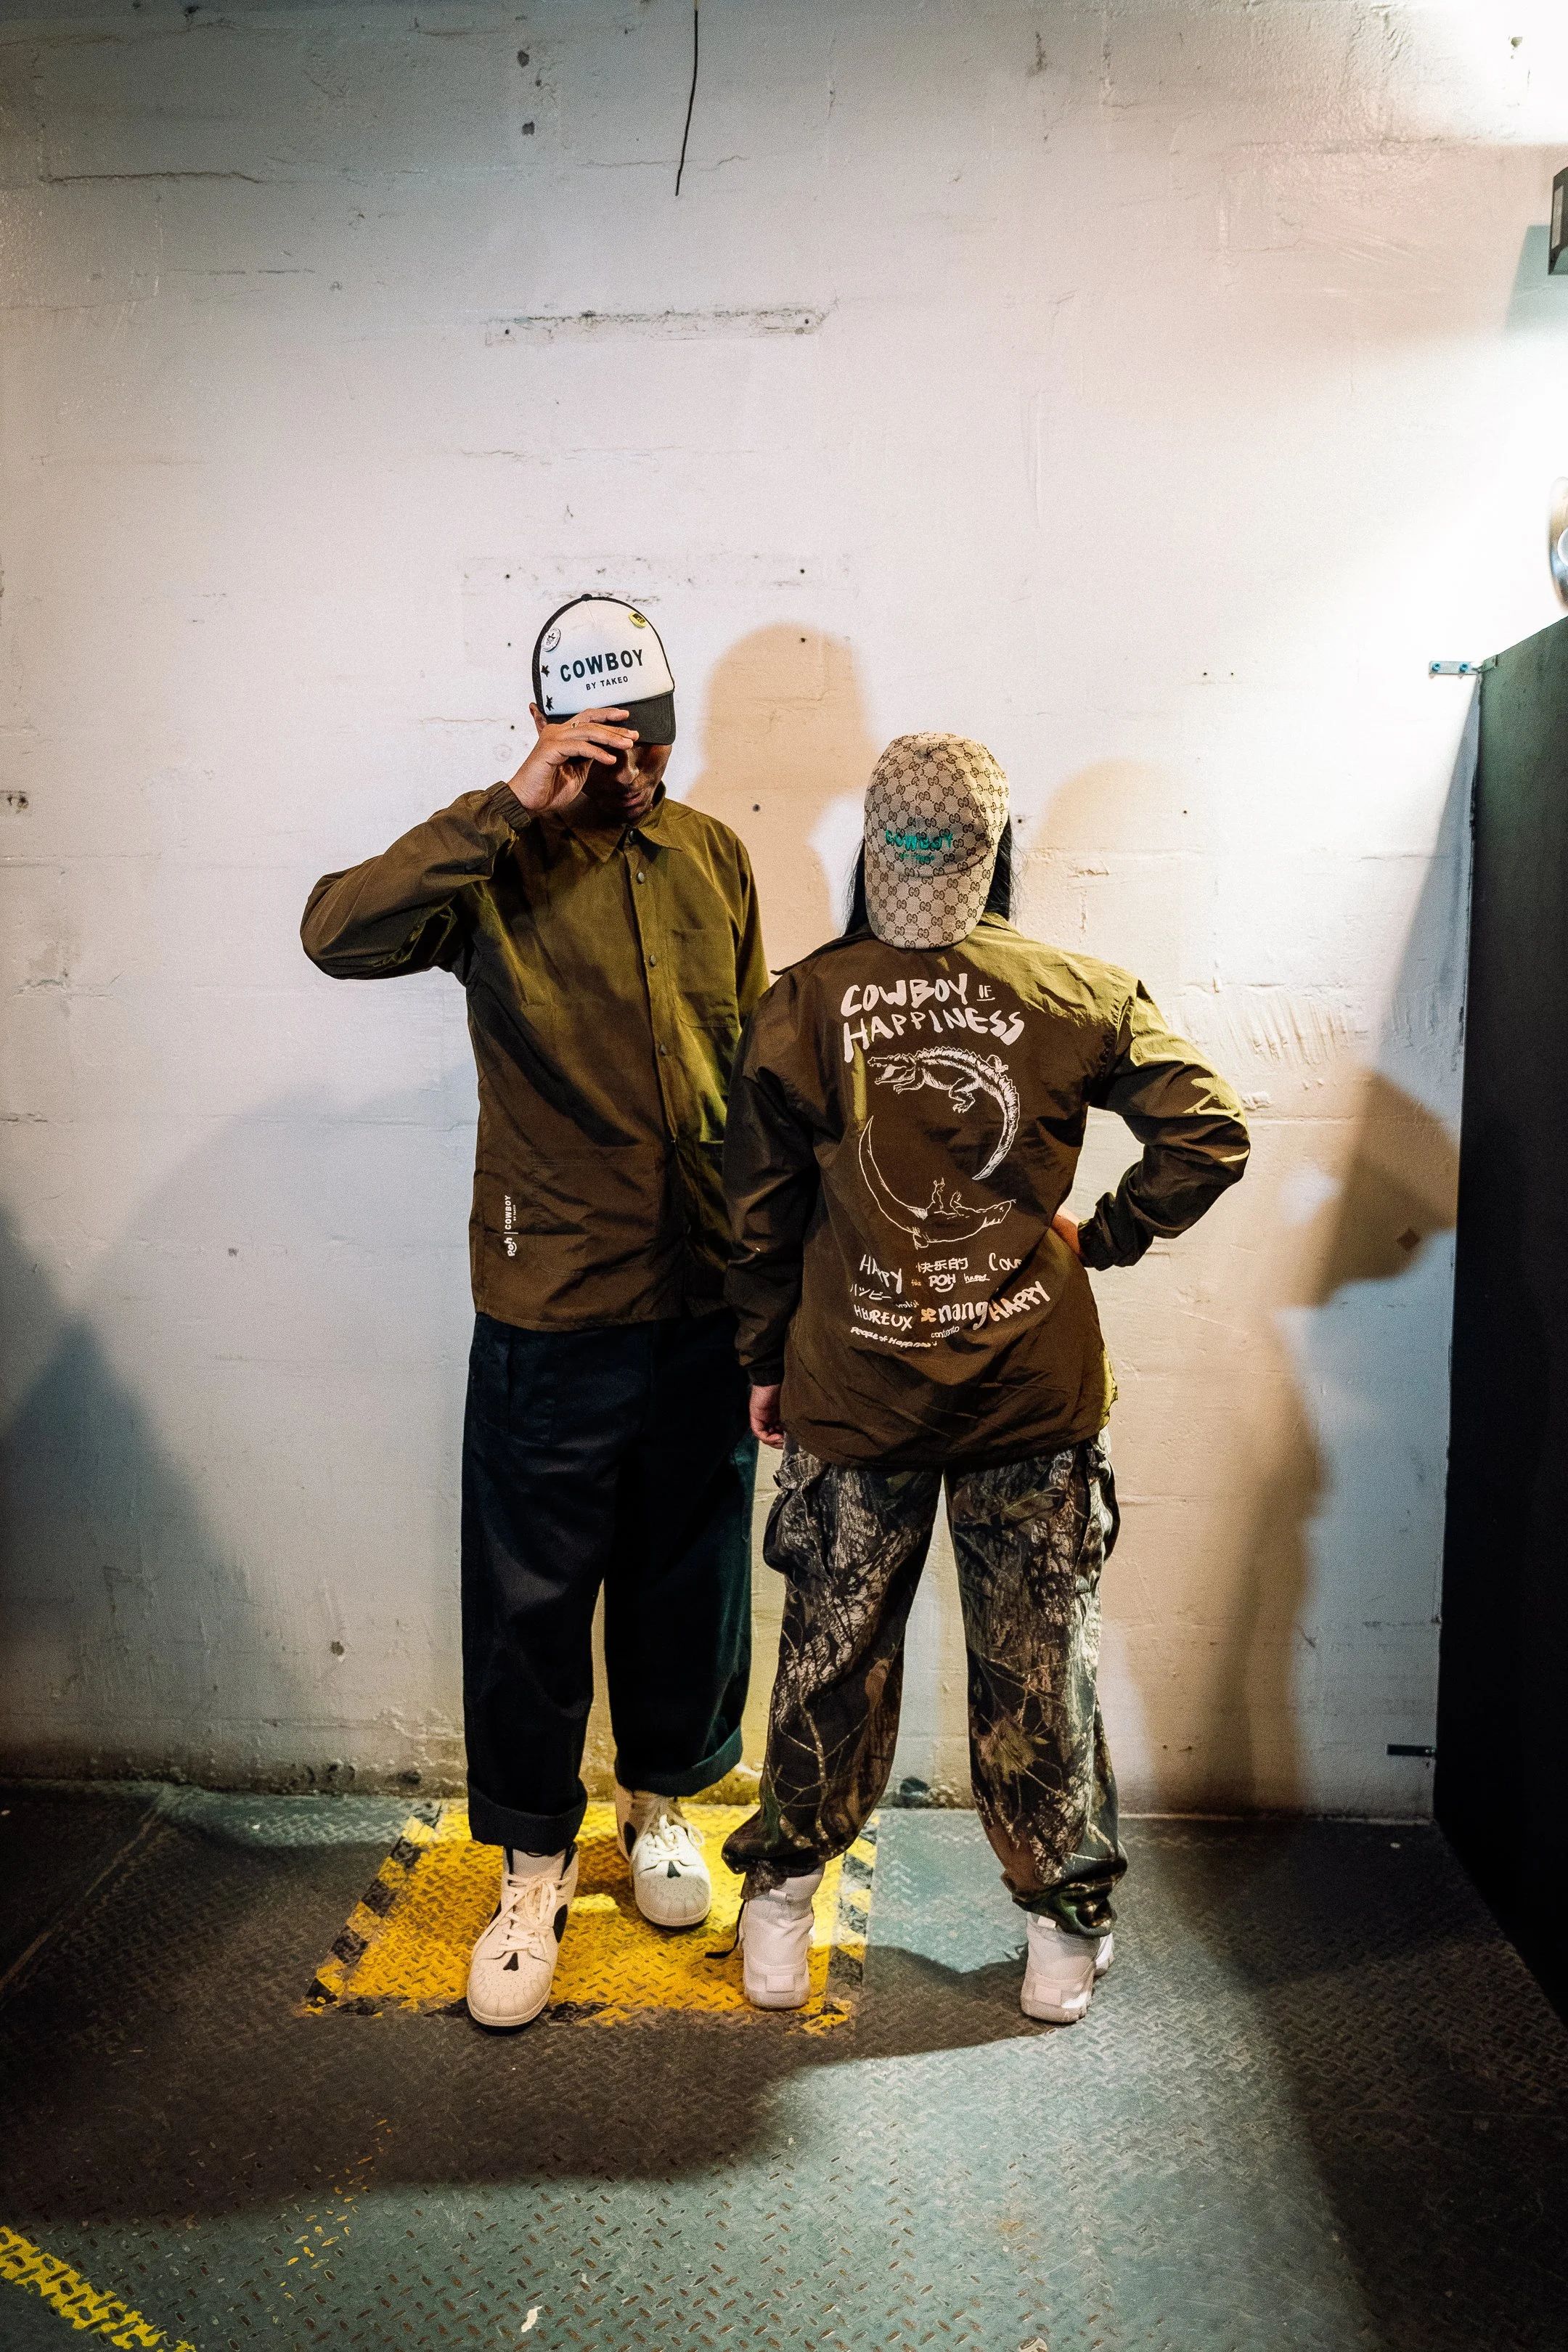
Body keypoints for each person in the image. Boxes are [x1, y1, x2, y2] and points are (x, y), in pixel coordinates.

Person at [719, 734, 1249, 2022]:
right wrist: (1100, 1238)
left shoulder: (804, 1003)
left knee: (830, 1656)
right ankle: (1062, 1936)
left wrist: (762, 1360)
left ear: (874, 850)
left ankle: (781, 1909)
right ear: (1000, 850)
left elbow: (757, 1216)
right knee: (1041, 1664)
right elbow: (1211, 1131)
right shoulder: (1079, 990)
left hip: (857, 1390)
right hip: (1030, 1394)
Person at [301, 595, 768, 2030]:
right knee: (531, 1603)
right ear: (555, 729)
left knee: (691, 1577)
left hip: (703, 1293)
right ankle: (530, 1866)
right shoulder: (491, 864)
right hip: (552, 1299)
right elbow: (335, 932)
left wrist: (774, 1282)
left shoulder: (714, 857)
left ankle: (661, 1806)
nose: (639, 771)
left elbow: (752, 1068)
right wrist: (512, 803)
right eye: (610, 746)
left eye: (656, 742)